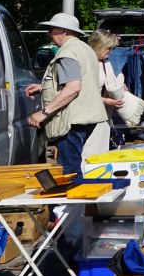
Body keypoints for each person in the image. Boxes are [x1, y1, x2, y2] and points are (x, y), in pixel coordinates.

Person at [25, 12, 107, 175]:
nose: (49, 34)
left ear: (63, 31)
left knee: (69, 171)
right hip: (86, 117)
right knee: (73, 166)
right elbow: (82, 80)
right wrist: (43, 87)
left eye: (51, 30)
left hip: (72, 121)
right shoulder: (85, 49)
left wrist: (43, 113)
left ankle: (73, 193)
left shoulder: (68, 53)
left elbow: (73, 87)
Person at [83, 29, 126, 155]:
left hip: (104, 116)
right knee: (88, 152)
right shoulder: (85, 63)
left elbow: (109, 84)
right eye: (108, 48)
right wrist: (105, 100)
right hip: (88, 117)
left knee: (100, 152)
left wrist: (119, 88)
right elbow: (82, 92)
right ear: (98, 45)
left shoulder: (106, 63)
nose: (110, 52)